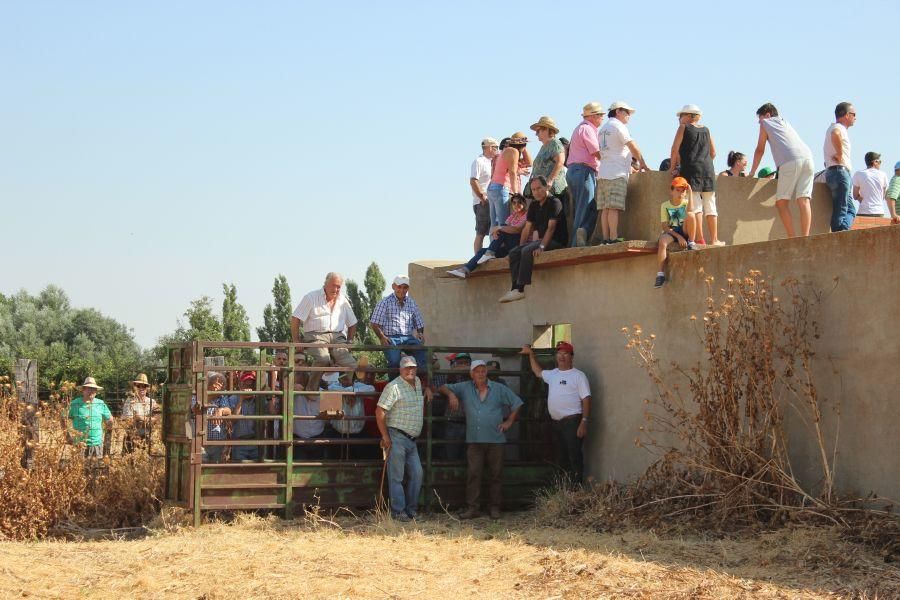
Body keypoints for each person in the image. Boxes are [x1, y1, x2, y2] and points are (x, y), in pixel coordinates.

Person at [438, 360, 523, 520]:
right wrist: (451, 395)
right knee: (473, 474)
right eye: (477, 371)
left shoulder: (498, 388)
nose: (480, 374)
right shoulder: (465, 387)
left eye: (483, 371)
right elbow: (442, 387)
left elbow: (517, 403)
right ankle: (473, 508)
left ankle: (495, 508)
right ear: (471, 374)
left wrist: (509, 421)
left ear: (487, 373)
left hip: (495, 439)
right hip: (475, 440)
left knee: (496, 475)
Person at [521, 342, 591, 484]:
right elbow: (537, 372)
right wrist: (530, 354)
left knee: (574, 457)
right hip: (556, 424)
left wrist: (584, 422)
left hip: (572, 422)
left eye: (565, 353)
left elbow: (586, 399)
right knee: (560, 458)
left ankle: (576, 491)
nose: (561, 356)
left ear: (571, 357)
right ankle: (564, 492)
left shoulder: (578, 376)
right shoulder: (553, 374)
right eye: (559, 353)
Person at [748, 103, 816, 238]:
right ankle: (806, 238)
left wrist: (752, 172)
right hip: (808, 158)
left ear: (767, 114)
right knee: (804, 200)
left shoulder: (766, 123)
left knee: (781, 202)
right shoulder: (785, 123)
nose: (759, 122)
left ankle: (792, 238)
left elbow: (760, 150)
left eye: (760, 118)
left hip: (790, 161)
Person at [376, 355, 432, 521]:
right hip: (397, 436)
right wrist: (385, 436)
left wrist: (428, 389)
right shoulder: (393, 387)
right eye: (407, 367)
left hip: (412, 439)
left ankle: (411, 510)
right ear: (400, 369)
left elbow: (423, 389)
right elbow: (380, 411)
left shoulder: (418, 383)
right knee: (397, 476)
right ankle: (399, 512)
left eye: (413, 367)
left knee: (417, 474)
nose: (410, 370)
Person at [500, 176, 568, 303]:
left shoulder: (555, 202)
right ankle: (515, 289)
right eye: (533, 190)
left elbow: (551, 228)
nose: (536, 192)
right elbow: (527, 229)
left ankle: (520, 289)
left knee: (526, 251)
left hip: (556, 241)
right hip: (541, 240)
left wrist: (541, 247)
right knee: (515, 252)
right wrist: (519, 247)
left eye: (539, 188)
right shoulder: (534, 205)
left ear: (546, 187)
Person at [291, 272, 358, 393]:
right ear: (325, 284)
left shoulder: (343, 300)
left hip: (337, 337)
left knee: (351, 364)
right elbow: (296, 318)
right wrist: (296, 340)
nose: (336, 289)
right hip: (316, 335)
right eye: (334, 285)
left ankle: (344, 386)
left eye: (339, 286)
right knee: (323, 359)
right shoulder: (311, 297)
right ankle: (311, 389)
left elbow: (353, 323)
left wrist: (350, 340)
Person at [595, 101, 649, 245]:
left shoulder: (603, 128)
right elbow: (632, 146)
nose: (629, 116)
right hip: (616, 172)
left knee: (605, 208)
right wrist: (642, 162)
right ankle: (613, 238)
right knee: (613, 207)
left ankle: (606, 238)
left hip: (603, 172)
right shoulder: (619, 126)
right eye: (627, 112)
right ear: (618, 111)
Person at [670, 104, 722, 246]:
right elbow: (713, 153)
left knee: (696, 206)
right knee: (711, 206)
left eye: (681, 116)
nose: (679, 119)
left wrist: (672, 168)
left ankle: (700, 238)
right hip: (708, 170)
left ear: (688, 116)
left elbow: (675, 149)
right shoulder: (706, 130)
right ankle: (715, 239)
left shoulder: (683, 128)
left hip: (691, 170)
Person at [447, 194, 528, 278]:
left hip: (518, 245)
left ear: (524, 203)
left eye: (519, 202)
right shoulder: (512, 216)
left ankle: (490, 252)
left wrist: (499, 228)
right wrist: (496, 231)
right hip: (507, 247)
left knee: (503, 227)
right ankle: (465, 270)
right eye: (514, 203)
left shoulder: (527, 215)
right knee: (482, 251)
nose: (516, 205)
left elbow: (517, 229)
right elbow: (503, 230)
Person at [566, 102, 604, 247]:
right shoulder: (587, 129)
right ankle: (577, 244)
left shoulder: (580, 128)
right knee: (587, 208)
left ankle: (578, 239)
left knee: (583, 208)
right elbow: (595, 152)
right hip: (583, 171)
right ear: (594, 116)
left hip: (575, 171)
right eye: (600, 115)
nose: (602, 119)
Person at [370, 275, 426, 370]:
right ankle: (393, 384)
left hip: (408, 338)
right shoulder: (384, 302)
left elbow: (419, 322)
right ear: (393, 287)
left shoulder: (412, 303)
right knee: (394, 362)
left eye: (405, 287)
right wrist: (382, 337)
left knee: (423, 357)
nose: (402, 290)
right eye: (399, 287)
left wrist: (420, 333)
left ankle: (418, 383)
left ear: (408, 288)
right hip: (392, 338)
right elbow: (374, 323)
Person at [654, 177, 697, 288]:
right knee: (663, 241)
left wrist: (690, 192)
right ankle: (660, 274)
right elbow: (665, 227)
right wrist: (678, 237)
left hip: (685, 229)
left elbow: (691, 211)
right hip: (673, 231)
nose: (680, 193)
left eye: (683, 190)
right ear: (671, 191)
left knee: (691, 214)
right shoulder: (665, 205)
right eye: (677, 190)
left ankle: (691, 242)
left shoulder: (686, 202)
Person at [823, 102, 857, 232]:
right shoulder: (838, 128)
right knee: (842, 209)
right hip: (840, 172)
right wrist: (839, 153)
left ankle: (842, 231)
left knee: (849, 210)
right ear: (847, 115)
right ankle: (840, 235)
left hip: (835, 172)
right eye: (854, 114)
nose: (855, 118)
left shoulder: (833, 127)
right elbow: (835, 134)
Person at [191, 372, 238, 463]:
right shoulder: (197, 396)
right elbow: (194, 409)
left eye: (221, 383)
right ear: (208, 382)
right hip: (199, 440)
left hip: (217, 441)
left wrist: (220, 410)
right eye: (216, 381)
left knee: (215, 466)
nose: (218, 384)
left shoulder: (221, 397)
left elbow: (228, 410)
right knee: (200, 466)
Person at [527, 116, 569, 213]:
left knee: (554, 219)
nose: (536, 133)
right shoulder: (544, 147)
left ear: (546, 130)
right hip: (542, 191)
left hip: (551, 190)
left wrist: (550, 180)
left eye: (538, 130)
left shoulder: (555, 143)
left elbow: (560, 161)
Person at [66, 377, 113, 458]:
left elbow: (110, 419)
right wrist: (67, 436)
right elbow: (62, 417)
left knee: (96, 469)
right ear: (83, 390)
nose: (91, 391)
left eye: (94, 389)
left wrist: (105, 433)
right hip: (79, 445)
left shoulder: (100, 403)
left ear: (96, 391)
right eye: (89, 388)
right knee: (79, 469)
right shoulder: (74, 404)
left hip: (97, 444)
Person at [487, 132, 524, 227]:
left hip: (492, 187)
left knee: (494, 224)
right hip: (502, 187)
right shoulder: (514, 152)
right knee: (504, 223)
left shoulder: (504, 151)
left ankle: (494, 242)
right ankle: (501, 242)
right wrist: (516, 193)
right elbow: (512, 173)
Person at [470, 138, 500, 253]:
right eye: (496, 148)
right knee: (481, 232)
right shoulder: (479, 161)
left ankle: (491, 254)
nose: (497, 150)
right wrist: (482, 197)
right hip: (483, 202)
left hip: (493, 200)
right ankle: (476, 259)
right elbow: (473, 180)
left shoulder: (493, 161)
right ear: (490, 147)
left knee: (494, 230)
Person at [121, 373, 159, 453]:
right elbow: (127, 421)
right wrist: (148, 420)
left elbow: (157, 419)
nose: (141, 388)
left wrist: (141, 418)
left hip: (148, 438)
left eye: (144, 386)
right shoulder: (130, 401)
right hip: (132, 438)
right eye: (139, 386)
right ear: (135, 387)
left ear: (147, 388)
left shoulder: (152, 401)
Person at [852, 152, 894, 220]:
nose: (880, 164)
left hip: (863, 211)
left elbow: (855, 195)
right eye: (880, 161)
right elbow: (884, 196)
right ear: (875, 162)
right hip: (878, 211)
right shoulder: (883, 175)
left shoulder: (858, 174)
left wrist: (863, 200)